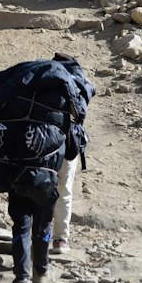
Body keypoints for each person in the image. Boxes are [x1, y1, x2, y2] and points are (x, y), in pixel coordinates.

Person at [0, 54, 93, 283]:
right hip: (46, 178)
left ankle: (22, 280)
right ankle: (41, 271)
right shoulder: (62, 104)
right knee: (42, 225)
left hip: (16, 170)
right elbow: (71, 150)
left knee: (21, 225)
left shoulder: (20, 97)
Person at [51, 52, 96, 255]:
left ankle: (33, 235)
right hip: (68, 143)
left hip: (35, 141)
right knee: (64, 190)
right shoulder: (76, 84)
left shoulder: (42, 84)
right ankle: (60, 239)